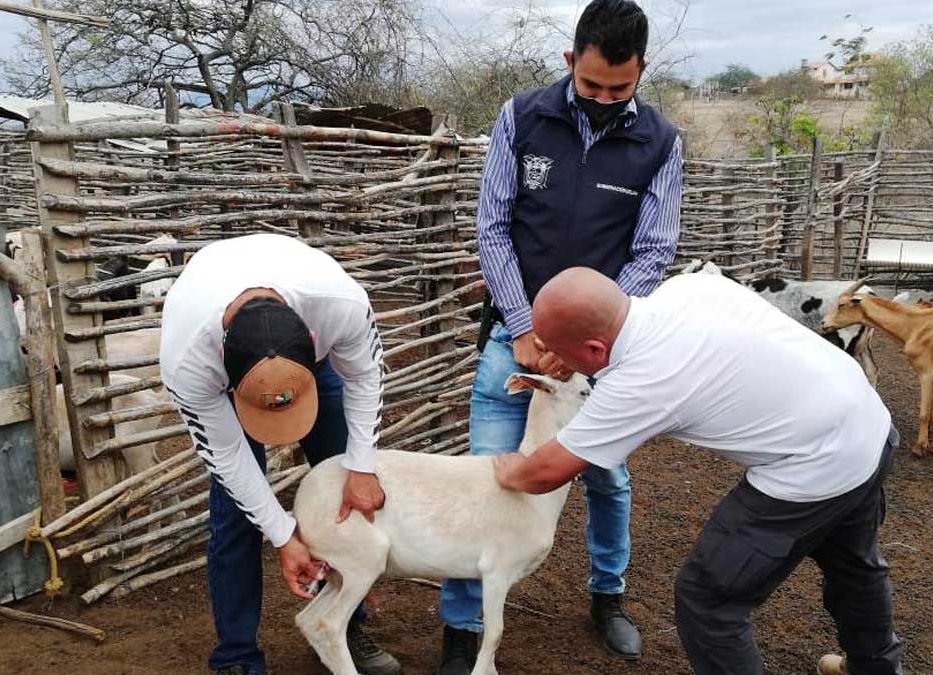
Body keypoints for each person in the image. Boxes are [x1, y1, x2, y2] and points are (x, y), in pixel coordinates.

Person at [493, 267, 905, 675]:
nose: (554, 363)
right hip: (867, 421)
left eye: (559, 353)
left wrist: (509, 471)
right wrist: (569, 351)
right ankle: (876, 668)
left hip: (814, 463)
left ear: (596, 349)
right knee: (853, 567)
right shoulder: (688, 287)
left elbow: (546, 471)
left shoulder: (642, 379)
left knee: (708, 600)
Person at [436, 0, 683, 672]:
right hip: (512, 339)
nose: (603, 99)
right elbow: (492, 228)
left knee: (607, 476)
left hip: (599, 351)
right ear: (571, 60)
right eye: (591, 83)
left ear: (641, 70)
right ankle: (461, 628)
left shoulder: (661, 142)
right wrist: (525, 326)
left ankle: (607, 596)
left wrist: (585, 335)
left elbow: (652, 251)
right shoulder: (522, 117)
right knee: (488, 477)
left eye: (619, 88)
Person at [159, 233, 400, 675]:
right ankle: (236, 657)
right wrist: (283, 536)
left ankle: (342, 629)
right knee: (235, 512)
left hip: (311, 360)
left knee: (343, 496)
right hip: (226, 371)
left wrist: (362, 466)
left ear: (313, 340)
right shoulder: (188, 359)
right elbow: (228, 458)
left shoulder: (340, 305)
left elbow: (365, 377)